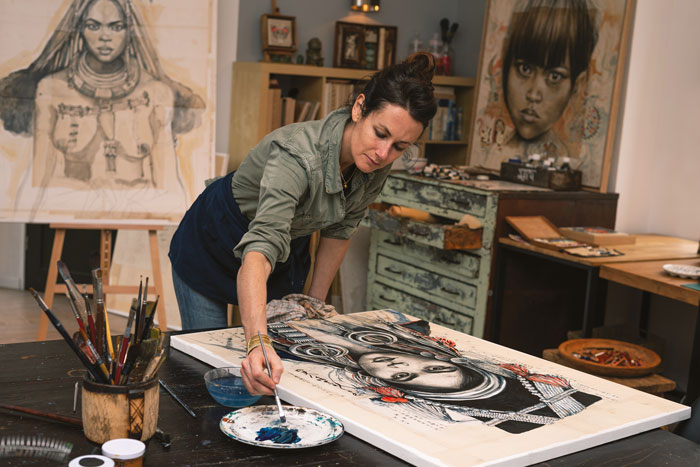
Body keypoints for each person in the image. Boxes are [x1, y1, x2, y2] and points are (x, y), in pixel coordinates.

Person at [168, 53, 438, 396]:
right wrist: (257, 342)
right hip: (214, 240)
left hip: (283, 248)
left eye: (400, 146)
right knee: (213, 365)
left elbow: (339, 231)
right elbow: (261, 248)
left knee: (281, 369)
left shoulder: (374, 163)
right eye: (380, 133)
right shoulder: (296, 156)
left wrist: (315, 309)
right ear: (359, 109)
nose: (384, 153)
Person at [0, 0, 203, 214]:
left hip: (138, 212)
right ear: (79, 29)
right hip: (68, 208)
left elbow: (169, 185)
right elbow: (38, 179)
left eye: (116, 27)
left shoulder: (156, 93)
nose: (105, 36)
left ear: (129, 31)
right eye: (93, 26)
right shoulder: (51, 89)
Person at [265, 310, 601, 434]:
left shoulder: (313, 358)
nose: (402, 365)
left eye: (404, 378)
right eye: (435, 367)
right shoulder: (397, 333)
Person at [480, 0, 597, 166]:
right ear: (505, 66)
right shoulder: (487, 156)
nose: (533, 95)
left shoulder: (572, 161)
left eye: (554, 77)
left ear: (576, 85)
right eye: (525, 69)